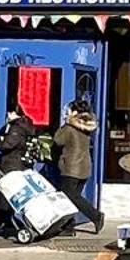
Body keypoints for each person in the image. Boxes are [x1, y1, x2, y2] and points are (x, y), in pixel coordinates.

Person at [49, 99, 104, 234]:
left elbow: (57, 140)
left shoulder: (70, 127)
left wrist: (66, 122)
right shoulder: (86, 128)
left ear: (74, 112)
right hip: (84, 167)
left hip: (71, 168)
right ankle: (69, 227)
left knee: (71, 197)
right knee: (71, 199)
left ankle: (95, 216)